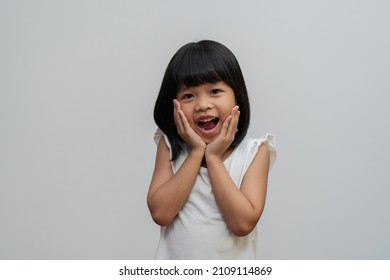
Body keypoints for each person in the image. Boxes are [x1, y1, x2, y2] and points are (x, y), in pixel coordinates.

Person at [147, 40, 276, 259]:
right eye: (188, 95)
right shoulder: (169, 147)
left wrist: (213, 158)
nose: (202, 105)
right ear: (174, 104)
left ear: (237, 96)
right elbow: (161, 213)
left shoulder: (255, 152)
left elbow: (243, 223)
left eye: (215, 91)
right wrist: (197, 152)